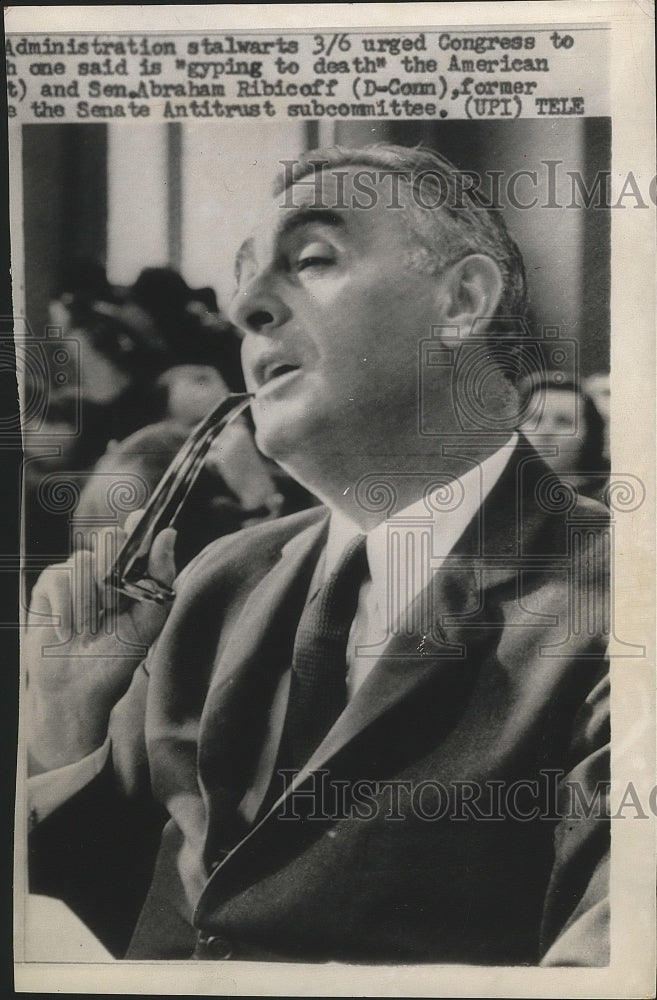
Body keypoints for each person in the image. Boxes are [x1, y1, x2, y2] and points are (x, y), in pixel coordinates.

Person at [25, 144, 609, 965]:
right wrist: (68, 723)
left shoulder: (624, 596)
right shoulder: (217, 582)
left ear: (463, 298)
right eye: (243, 276)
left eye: (310, 259)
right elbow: (97, 932)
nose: (245, 309)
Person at [518, 374, 610, 503]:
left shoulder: (607, 502)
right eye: (535, 419)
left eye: (563, 421)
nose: (545, 433)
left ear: (590, 434)